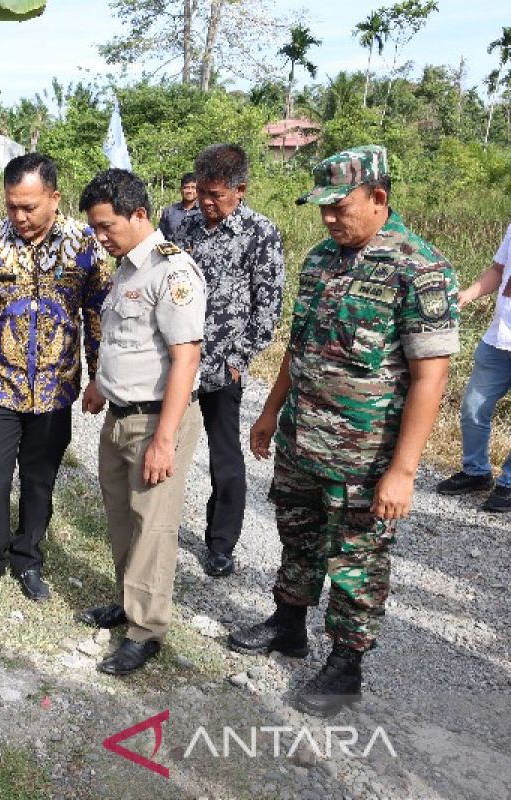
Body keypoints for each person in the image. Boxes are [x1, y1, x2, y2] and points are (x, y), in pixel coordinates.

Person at [231, 145, 458, 717]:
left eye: (340, 207)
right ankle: (288, 624)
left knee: (357, 558)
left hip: (365, 456)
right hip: (302, 438)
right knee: (297, 532)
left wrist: (404, 471)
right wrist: (269, 412)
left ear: (378, 198)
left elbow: (432, 377)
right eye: (322, 209)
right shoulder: (319, 260)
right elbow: (299, 346)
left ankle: (345, 667)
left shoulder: (420, 268)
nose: (329, 219)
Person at [0, 153, 112, 601]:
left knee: (39, 478)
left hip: (55, 388)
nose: (19, 216)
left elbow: (98, 314)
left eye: (29, 206)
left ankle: (28, 557)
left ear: (54, 198)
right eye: (12, 206)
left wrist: (98, 375)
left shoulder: (85, 245)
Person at [73, 169, 206, 675]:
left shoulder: (171, 273)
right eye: (95, 229)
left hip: (156, 420)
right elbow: (126, 340)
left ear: (140, 215)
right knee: (122, 517)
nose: (100, 237)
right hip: (119, 413)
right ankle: (128, 604)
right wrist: (99, 383)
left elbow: (185, 359)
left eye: (107, 227)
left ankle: (146, 632)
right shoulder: (127, 267)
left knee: (153, 525)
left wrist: (165, 440)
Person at [173, 144, 284, 578]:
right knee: (167, 442)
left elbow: (268, 307)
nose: (205, 202)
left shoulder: (261, 233)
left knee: (225, 457)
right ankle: (156, 526)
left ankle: (220, 543)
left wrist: (239, 358)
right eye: (201, 192)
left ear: (240, 190)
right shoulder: (186, 228)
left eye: (215, 194)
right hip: (180, 359)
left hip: (224, 364)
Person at [434, 221, 511, 512]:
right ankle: (476, 472)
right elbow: (498, 271)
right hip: (498, 339)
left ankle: (509, 484)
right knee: (473, 409)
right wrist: (468, 293)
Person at [158, 172, 198, 241]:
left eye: (193, 187)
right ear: (181, 189)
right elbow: (160, 237)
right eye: (186, 187)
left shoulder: (204, 212)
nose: (189, 191)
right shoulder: (169, 212)